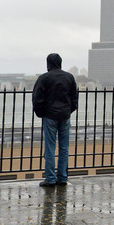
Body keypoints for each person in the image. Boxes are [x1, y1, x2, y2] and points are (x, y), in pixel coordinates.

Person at [32, 53, 78, 187]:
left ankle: (50, 178)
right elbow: (74, 98)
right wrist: (69, 110)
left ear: (48, 64)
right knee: (64, 148)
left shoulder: (44, 78)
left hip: (50, 116)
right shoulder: (69, 77)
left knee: (50, 147)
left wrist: (41, 113)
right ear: (60, 63)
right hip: (65, 116)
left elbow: (37, 98)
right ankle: (62, 177)